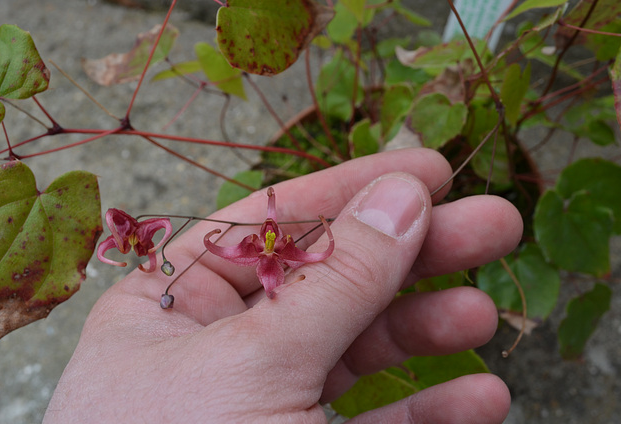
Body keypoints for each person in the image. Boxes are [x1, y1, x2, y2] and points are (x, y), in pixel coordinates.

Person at [43, 148, 520, 423]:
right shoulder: (257, 255)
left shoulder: (271, 251)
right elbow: (245, 252)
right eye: (128, 241)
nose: (269, 238)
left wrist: (306, 239)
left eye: (271, 235)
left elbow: (301, 251)